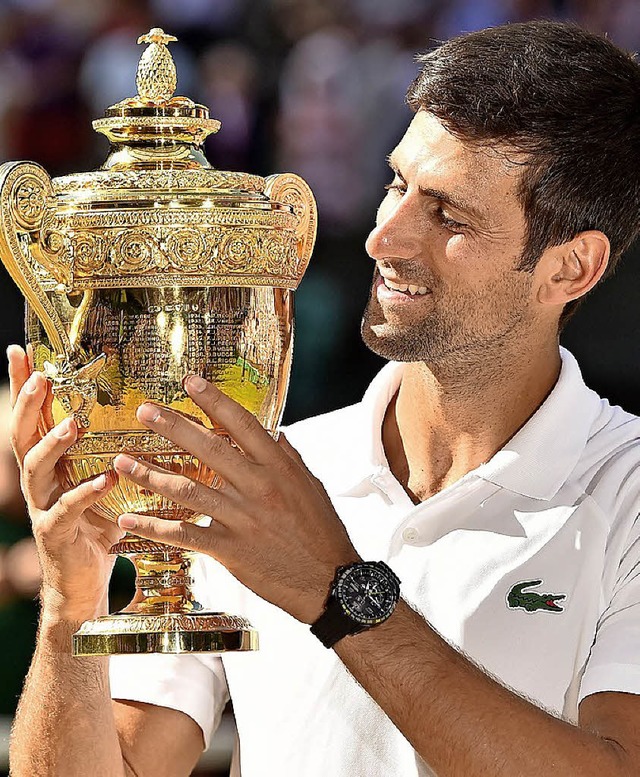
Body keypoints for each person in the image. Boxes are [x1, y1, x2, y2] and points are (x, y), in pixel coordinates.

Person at [8, 19, 640, 777]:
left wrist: (337, 591)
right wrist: (70, 600)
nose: (385, 237)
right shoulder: (254, 473)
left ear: (571, 268)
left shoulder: (628, 492)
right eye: (397, 183)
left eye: (450, 216)